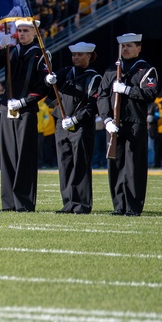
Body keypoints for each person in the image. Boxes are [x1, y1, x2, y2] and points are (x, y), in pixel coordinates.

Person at [0, 18, 50, 212]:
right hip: (7, 108)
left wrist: (25, 101)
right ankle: (9, 202)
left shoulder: (40, 55)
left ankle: (24, 202)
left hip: (25, 109)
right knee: (8, 155)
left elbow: (43, 86)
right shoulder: (10, 51)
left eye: (26, 31)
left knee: (25, 156)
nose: (22, 34)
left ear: (35, 33)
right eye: (19, 30)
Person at [97, 33, 158, 216]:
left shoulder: (146, 70)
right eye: (123, 46)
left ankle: (133, 207)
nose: (125, 49)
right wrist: (106, 119)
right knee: (115, 167)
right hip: (113, 125)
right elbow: (102, 96)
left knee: (133, 168)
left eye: (130, 46)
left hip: (134, 123)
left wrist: (128, 90)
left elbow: (150, 94)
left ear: (139, 48)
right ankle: (119, 206)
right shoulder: (111, 70)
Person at [46, 42, 101, 214]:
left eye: (79, 55)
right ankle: (68, 202)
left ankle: (82, 204)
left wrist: (76, 119)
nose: (76, 58)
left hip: (81, 126)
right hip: (62, 124)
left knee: (80, 164)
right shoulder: (66, 72)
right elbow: (52, 88)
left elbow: (94, 105)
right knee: (65, 164)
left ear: (89, 56)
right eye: (74, 55)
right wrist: (49, 80)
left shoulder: (94, 78)